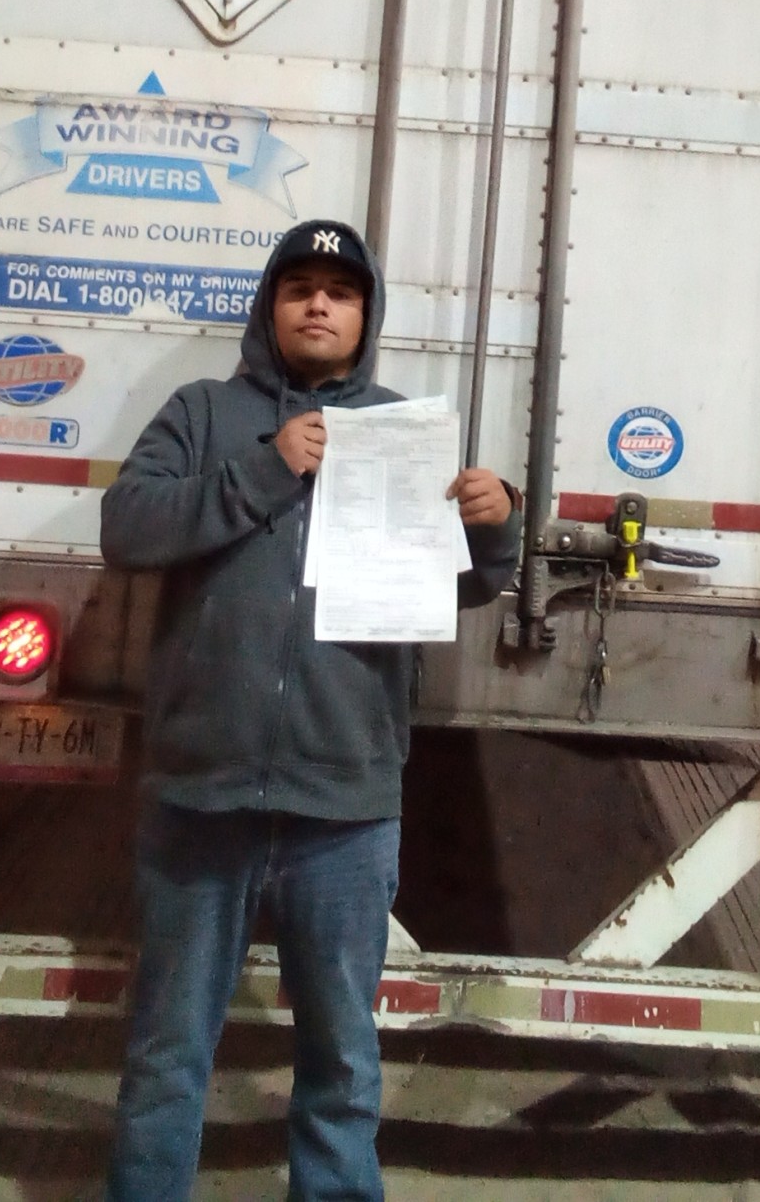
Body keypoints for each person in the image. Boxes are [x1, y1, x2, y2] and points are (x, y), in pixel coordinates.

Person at [100, 218, 522, 1202]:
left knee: (341, 1062)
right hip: (200, 801)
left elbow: (455, 587)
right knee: (167, 1051)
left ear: (366, 317)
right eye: (299, 289)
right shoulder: (203, 413)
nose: (319, 304)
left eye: (340, 291)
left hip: (345, 810)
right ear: (271, 309)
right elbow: (128, 527)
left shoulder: (402, 435)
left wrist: (496, 528)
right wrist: (268, 464)